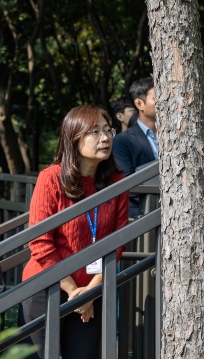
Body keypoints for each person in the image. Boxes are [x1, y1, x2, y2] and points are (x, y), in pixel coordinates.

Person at [19, 105, 129, 359]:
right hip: (46, 287)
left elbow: (118, 242)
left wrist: (89, 292)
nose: (105, 138)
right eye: (94, 132)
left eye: (107, 130)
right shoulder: (51, 178)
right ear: (73, 137)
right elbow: (40, 242)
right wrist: (72, 292)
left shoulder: (117, 182)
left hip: (92, 290)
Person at [112, 77, 158, 218]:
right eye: (157, 97)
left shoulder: (178, 137)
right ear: (139, 103)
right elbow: (128, 183)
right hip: (142, 216)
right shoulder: (122, 141)